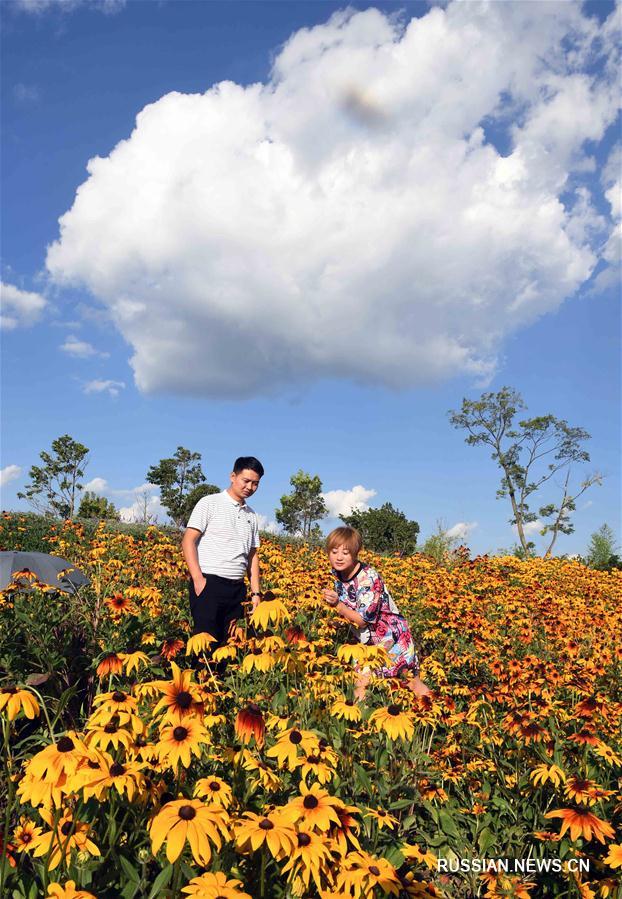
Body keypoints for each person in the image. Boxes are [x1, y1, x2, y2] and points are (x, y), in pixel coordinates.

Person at [322, 526, 431, 701]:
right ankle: (361, 724)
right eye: (334, 551)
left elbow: (363, 619)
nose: (339, 557)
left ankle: (436, 712)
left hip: (393, 638)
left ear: (356, 553)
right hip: (365, 643)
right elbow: (352, 606)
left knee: (411, 683)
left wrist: (337, 605)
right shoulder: (338, 574)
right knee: (360, 682)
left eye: (346, 552)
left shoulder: (368, 579)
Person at [182, 456, 264, 648]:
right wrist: (198, 579)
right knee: (205, 645)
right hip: (209, 584)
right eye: (246, 481)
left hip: (237, 589)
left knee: (230, 646)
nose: (250, 487)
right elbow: (188, 540)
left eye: (255, 484)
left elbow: (252, 557)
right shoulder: (210, 503)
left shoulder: (251, 515)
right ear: (232, 476)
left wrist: (255, 593)